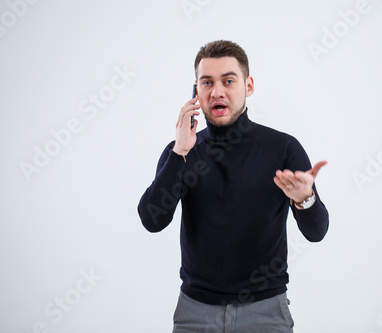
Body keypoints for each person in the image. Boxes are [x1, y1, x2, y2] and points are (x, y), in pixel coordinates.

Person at [138, 40, 329, 333]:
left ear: (248, 85)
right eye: (207, 82)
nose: (217, 91)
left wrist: (305, 199)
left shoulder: (283, 148)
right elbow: (152, 221)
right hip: (195, 314)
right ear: (196, 92)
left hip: (265, 313)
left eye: (228, 80)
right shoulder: (181, 152)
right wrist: (179, 153)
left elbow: (316, 233)